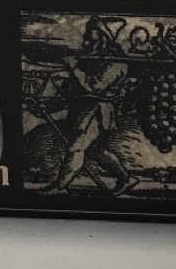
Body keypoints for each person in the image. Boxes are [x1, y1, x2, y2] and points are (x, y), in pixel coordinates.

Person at [51, 16, 139, 195]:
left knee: (76, 147)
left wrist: (74, 67)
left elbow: (95, 86)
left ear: (103, 40)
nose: (85, 43)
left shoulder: (116, 63)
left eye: (91, 40)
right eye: (85, 38)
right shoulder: (89, 60)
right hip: (84, 110)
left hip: (99, 110)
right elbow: (74, 89)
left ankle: (60, 187)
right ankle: (127, 178)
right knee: (95, 151)